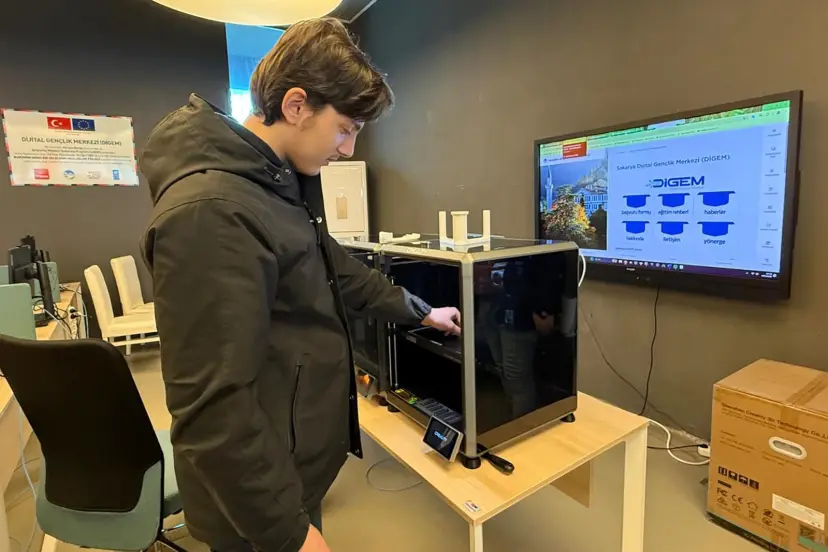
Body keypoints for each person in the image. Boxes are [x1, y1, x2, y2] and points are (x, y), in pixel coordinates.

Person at [139, 18, 461, 552]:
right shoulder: (213, 212)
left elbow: (339, 270)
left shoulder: (279, 186)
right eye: (345, 129)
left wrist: (420, 310)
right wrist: (290, 535)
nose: (349, 149)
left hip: (289, 463)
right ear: (296, 106)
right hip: (252, 502)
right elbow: (213, 408)